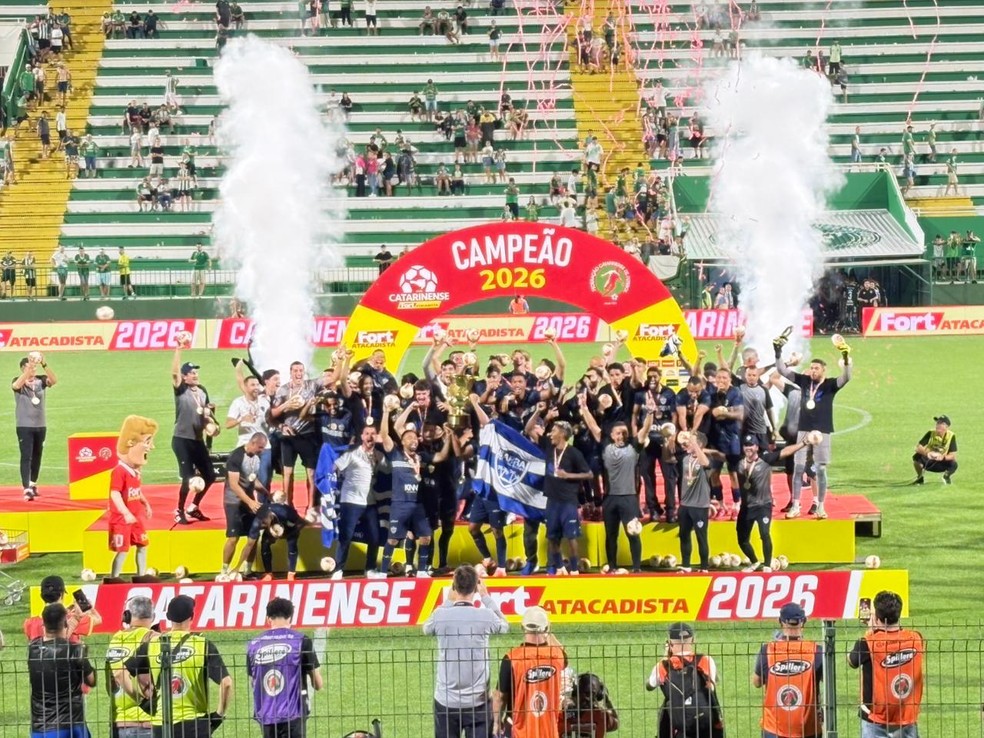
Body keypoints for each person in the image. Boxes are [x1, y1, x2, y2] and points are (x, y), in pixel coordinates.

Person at [127, 595, 233, 738]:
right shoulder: (202, 644)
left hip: (162, 724)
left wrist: (140, 698)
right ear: (192, 616)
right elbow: (226, 683)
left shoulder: (152, 644)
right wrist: (218, 715)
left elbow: (119, 673)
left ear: (169, 617)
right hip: (194, 724)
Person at [423, 565, 509, 738]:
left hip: (446, 701)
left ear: (453, 587)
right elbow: (505, 625)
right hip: (478, 702)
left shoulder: (440, 616)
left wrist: (447, 601)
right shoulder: (486, 616)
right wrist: (486, 598)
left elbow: (426, 628)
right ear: (476, 587)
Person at [775, 334, 852, 520]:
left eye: (816, 368)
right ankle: (795, 505)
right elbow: (782, 371)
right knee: (798, 467)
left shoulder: (831, 385)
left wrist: (845, 357)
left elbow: (847, 377)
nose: (813, 371)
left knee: (821, 469)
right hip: (804, 429)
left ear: (824, 370)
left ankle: (821, 506)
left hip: (823, 431)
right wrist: (777, 352)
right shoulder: (803, 381)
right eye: (811, 368)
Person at [580, 394, 653, 573]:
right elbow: (593, 427)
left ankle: (637, 568)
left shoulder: (634, 446)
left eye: (624, 433)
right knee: (611, 535)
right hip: (610, 498)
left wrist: (650, 412)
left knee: (633, 533)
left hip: (629, 498)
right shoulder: (605, 445)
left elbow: (645, 430)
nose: (621, 435)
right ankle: (612, 567)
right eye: (618, 433)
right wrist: (584, 408)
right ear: (612, 435)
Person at [377, 406, 451, 577]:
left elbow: (440, 457)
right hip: (400, 504)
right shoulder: (394, 453)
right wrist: (386, 412)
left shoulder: (422, 457)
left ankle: (423, 570)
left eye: (415, 437)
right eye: (408, 437)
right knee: (393, 539)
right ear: (402, 441)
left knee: (426, 537)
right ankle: (382, 572)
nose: (413, 439)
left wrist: (448, 439)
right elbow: (385, 433)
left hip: (418, 505)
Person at [848, 591, 924, 738]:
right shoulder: (916, 638)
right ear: (899, 614)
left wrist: (871, 631)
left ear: (876, 616)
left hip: (875, 719)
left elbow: (852, 661)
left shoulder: (868, 642)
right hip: (907, 717)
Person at [247, 597, 324, 738]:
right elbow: (317, 684)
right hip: (293, 715)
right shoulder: (301, 641)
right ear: (290, 617)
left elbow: (253, 683)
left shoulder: (254, 644)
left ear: (268, 618)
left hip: (266, 715)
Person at [735, 433, 811, 572]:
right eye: (746, 446)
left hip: (763, 505)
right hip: (746, 507)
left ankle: (768, 564)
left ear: (756, 447)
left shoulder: (765, 459)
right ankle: (755, 562)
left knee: (764, 534)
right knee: (742, 539)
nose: (748, 448)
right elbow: (720, 456)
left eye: (751, 445)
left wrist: (803, 443)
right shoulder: (739, 462)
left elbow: (784, 452)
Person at [493, 606, 567, 738]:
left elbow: (500, 697)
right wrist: (548, 631)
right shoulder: (557, 656)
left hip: (519, 732)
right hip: (549, 732)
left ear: (522, 628)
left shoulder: (512, 658)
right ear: (546, 628)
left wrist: (497, 723)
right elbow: (561, 650)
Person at [753, 603, 823, 738]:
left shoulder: (768, 650)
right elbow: (827, 681)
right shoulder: (817, 651)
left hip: (773, 728)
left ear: (781, 622)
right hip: (808, 728)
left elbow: (757, 682)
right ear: (803, 622)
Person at [28, 603, 97, 738]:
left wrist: (74, 619)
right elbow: (92, 680)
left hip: (39, 726)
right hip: (70, 724)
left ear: (44, 625)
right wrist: (83, 657)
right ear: (65, 624)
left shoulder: (32, 650)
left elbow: (53, 643)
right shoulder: (75, 650)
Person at [646, 622, 724, 738]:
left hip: (679, 726)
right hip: (706, 724)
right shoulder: (705, 660)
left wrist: (666, 657)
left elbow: (649, 685)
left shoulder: (663, 666)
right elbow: (712, 686)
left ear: (670, 642)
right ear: (693, 640)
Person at [170, 344, 218, 524]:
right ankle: (179, 510)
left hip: (197, 441)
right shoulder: (181, 388)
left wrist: (212, 424)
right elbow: (174, 372)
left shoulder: (203, 391)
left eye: (196, 372)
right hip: (182, 440)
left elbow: (206, 415)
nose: (195, 374)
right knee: (188, 477)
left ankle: (194, 507)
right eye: (191, 372)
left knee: (210, 476)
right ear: (184, 377)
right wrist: (178, 348)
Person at [269, 361, 326, 509]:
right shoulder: (283, 390)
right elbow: (272, 414)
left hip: (307, 436)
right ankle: (288, 505)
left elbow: (332, 378)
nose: (298, 373)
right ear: (290, 372)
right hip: (288, 437)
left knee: (311, 473)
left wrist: (340, 360)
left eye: (301, 370)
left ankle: (311, 506)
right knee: (287, 472)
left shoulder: (311, 385)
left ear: (304, 371)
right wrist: (285, 406)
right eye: (295, 370)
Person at [109, 415, 159, 578]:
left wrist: (145, 503)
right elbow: (114, 493)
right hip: (122, 519)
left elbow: (135, 490)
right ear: (130, 443)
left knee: (142, 545)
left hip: (135, 517)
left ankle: (141, 575)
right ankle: (114, 578)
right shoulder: (119, 471)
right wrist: (125, 513)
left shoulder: (135, 471)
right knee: (123, 551)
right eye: (147, 442)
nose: (151, 447)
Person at [541, 420, 592, 575]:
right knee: (552, 537)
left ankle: (575, 569)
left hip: (568, 501)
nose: (550, 434)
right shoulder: (549, 448)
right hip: (552, 500)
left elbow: (589, 474)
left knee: (571, 537)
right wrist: (538, 412)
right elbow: (529, 429)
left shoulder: (574, 453)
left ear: (562, 434)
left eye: (554, 431)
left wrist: (568, 475)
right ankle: (559, 567)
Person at [332, 424, 383, 579]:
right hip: (351, 501)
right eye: (366, 433)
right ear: (362, 436)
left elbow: (388, 471)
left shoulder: (379, 455)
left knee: (374, 537)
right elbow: (334, 466)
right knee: (345, 537)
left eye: (373, 434)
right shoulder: (352, 453)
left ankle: (370, 568)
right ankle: (338, 569)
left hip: (370, 502)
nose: (369, 436)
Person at [106, 595, 156, 738]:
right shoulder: (154, 639)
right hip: (147, 720)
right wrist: (142, 701)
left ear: (127, 616)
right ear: (153, 616)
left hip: (119, 721)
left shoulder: (115, 640)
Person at [221, 432, 269, 577]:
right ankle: (224, 570)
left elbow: (252, 480)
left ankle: (248, 569)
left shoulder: (256, 457)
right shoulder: (236, 457)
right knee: (233, 538)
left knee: (252, 535)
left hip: (249, 501)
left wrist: (267, 493)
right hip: (233, 502)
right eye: (260, 447)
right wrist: (250, 502)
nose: (262, 450)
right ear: (253, 443)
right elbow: (234, 485)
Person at [12, 353, 58, 500]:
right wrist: (28, 371)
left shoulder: (41, 381)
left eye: (33, 368)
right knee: (26, 456)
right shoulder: (18, 381)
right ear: (22, 369)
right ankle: (26, 488)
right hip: (24, 426)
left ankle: (32, 484)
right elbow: (16, 385)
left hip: (40, 425)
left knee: (38, 455)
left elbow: (54, 380)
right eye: (28, 368)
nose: (32, 370)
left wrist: (44, 364)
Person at [24, 574, 102, 642]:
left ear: (42, 596)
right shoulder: (73, 619)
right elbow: (98, 619)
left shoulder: (29, 624)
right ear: (61, 594)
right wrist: (88, 606)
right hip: (68, 658)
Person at [676, 431, 713, 572]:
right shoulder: (685, 459)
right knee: (684, 535)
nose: (688, 443)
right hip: (685, 504)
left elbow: (705, 463)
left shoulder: (706, 457)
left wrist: (695, 444)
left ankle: (704, 567)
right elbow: (668, 457)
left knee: (701, 537)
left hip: (700, 505)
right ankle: (686, 565)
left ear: (700, 444)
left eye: (691, 441)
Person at [912, 415, 958, 485]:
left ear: (946, 427)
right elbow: (918, 447)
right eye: (937, 423)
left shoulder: (951, 436)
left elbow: (953, 455)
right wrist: (928, 453)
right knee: (916, 457)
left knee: (954, 464)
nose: (938, 425)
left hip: (941, 462)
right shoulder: (931, 433)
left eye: (941, 423)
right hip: (928, 461)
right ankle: (920, 478)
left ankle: (946, 477)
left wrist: (943, 457)